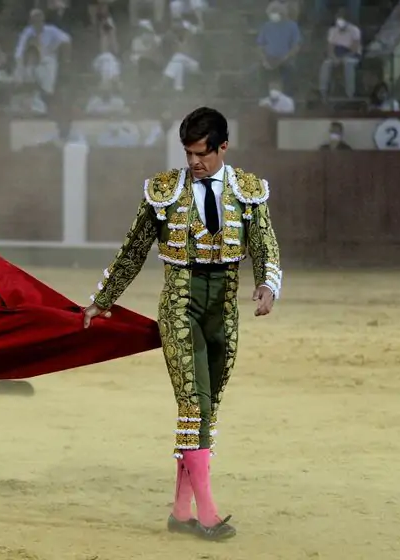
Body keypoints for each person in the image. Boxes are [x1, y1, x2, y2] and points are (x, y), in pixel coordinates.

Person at [82, 107, 282, 541]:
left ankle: (179, 510)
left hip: (224, 312)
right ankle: (207, 515)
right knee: (195, 407)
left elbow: (265, 245)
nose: (193, 162)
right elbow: (133, 251)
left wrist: (268, 285)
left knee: (207, 410)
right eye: (189, 153)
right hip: (179, 308)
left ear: (222, 147)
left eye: (202, 154)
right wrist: (102, 301)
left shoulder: (248, 191)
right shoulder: (163, 191)